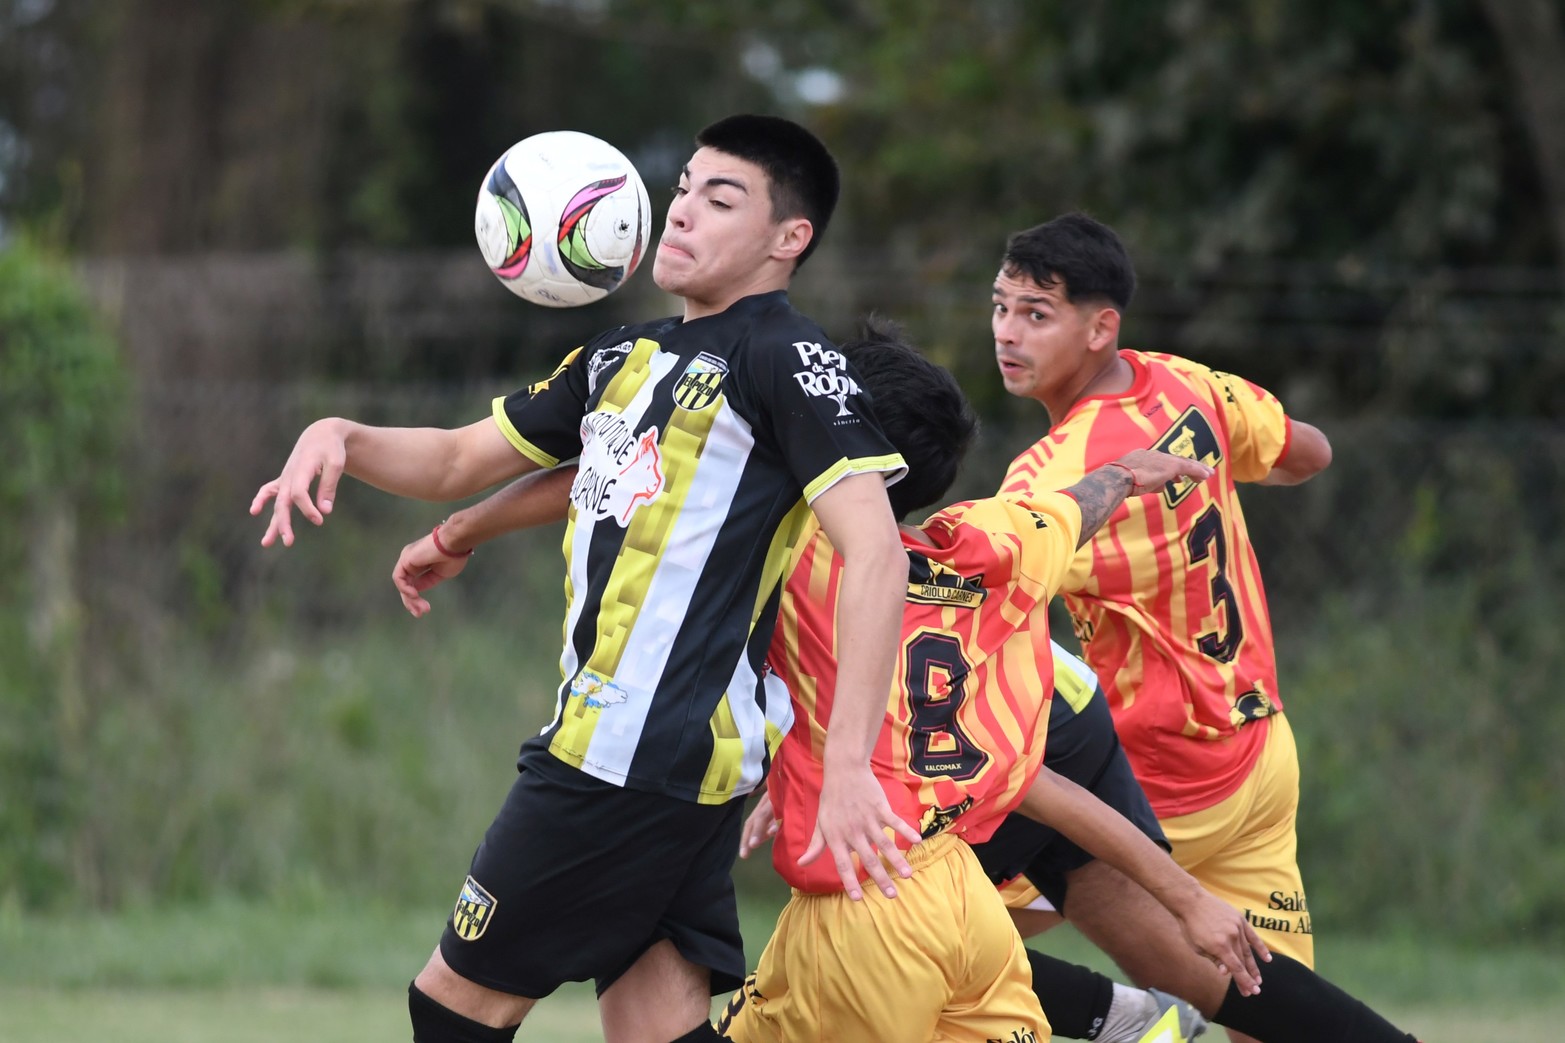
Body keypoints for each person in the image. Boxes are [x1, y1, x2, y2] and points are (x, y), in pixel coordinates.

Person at [394, 320, 1261, 1043]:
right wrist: (1128, 471)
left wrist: (461, 527)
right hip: (959, 895)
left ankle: (1122, 1016)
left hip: (859, 916)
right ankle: (1125, 1019)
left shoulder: (802, 548)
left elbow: (630, 480)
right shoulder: (986, 544)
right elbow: (1081, 504)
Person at [250, 114, 921, 1043]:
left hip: (630, 753)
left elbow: (876, 551)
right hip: (668, 759)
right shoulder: (620, 355)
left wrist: (847, 764)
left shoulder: (780, 356)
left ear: (788, 238)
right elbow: (454, 458)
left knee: (450, 1008)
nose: (682, 211)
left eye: (719, 199)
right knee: (652, 1023)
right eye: (682, 187)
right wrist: (344, 438)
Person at [989, 212, 1426, 1043]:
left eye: (1034, 314)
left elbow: (979, 592)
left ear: (1099, 326)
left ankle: (1130, 1025)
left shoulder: (1050, 478)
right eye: (1001, 307)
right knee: (1282, 1017)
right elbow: (1310, 453)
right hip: (1258, 759)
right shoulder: (1188, 385)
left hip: (1153, 787)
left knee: (932, 940)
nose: (1007, 333)